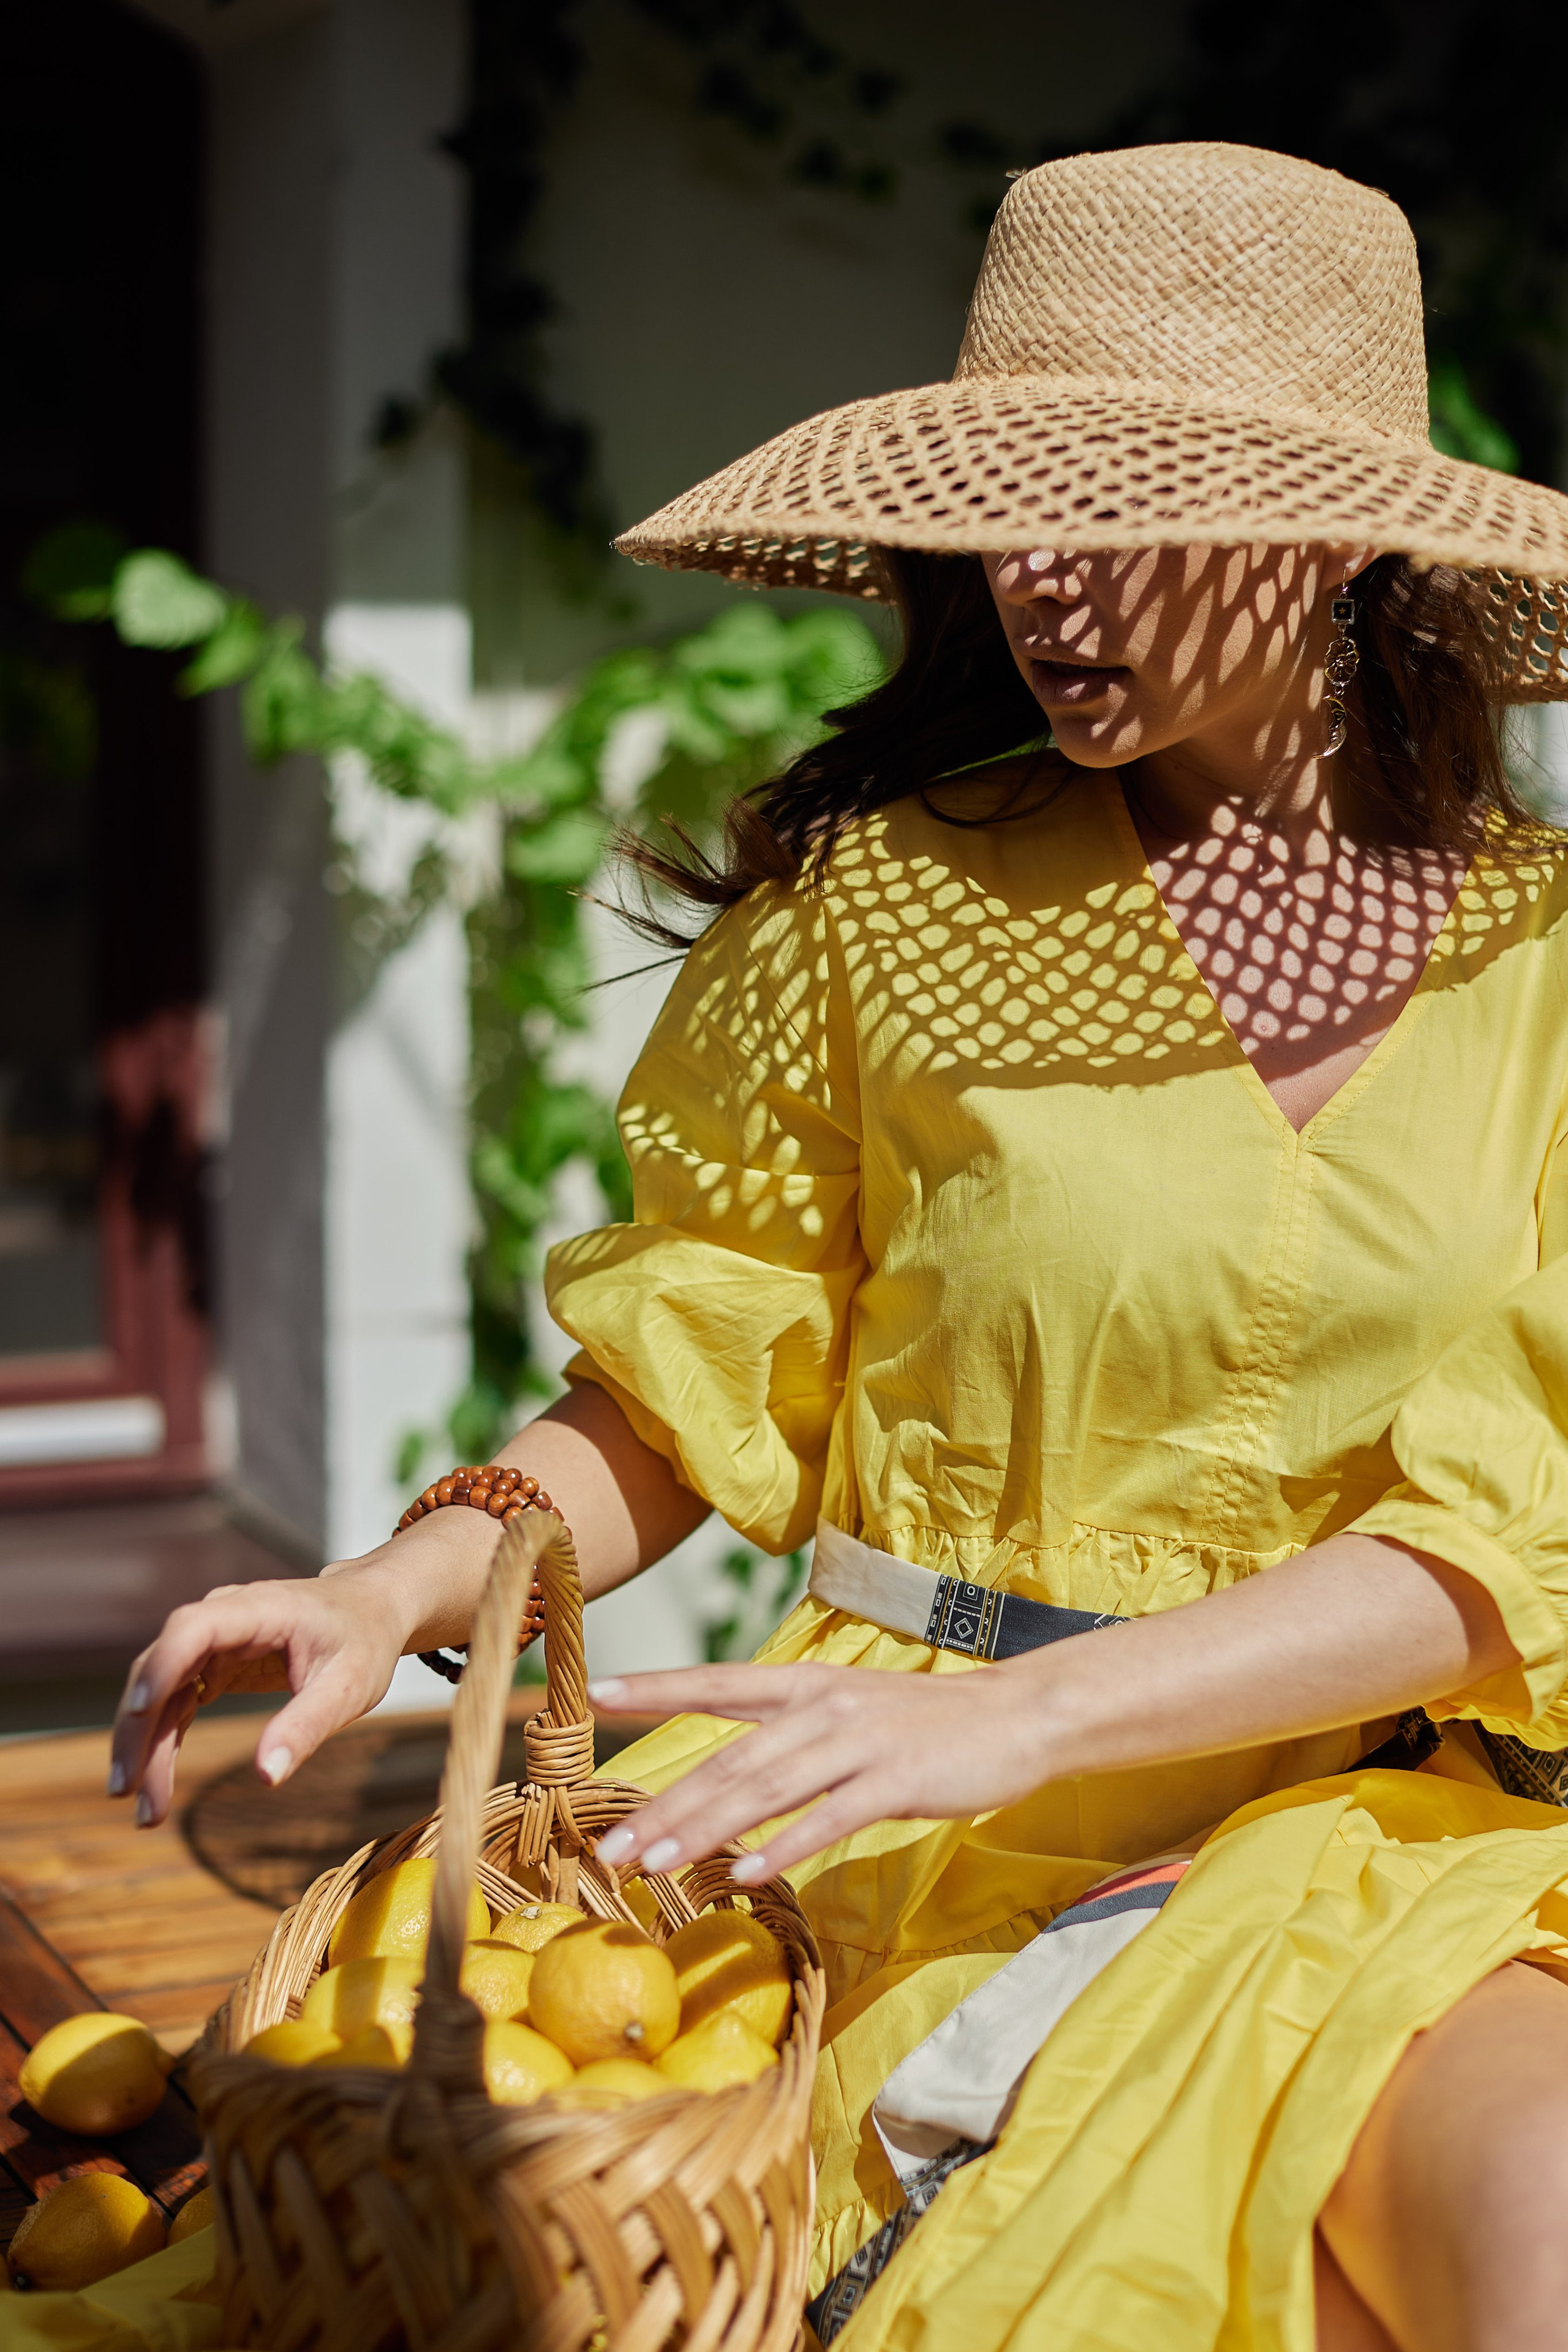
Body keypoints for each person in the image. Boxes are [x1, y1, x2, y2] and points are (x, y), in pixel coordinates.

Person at [110, 143, 1568, 2352]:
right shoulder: (874, 911)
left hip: (1386, 1834)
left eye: (1131, 503)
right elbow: (682, 1395)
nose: (1048, 583)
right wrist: (390, 1586)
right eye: (1013, 505)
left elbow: (1511, 1530)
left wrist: (1050, 1721)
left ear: (1344, 529)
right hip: (877, 1801)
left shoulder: (1556, 967)